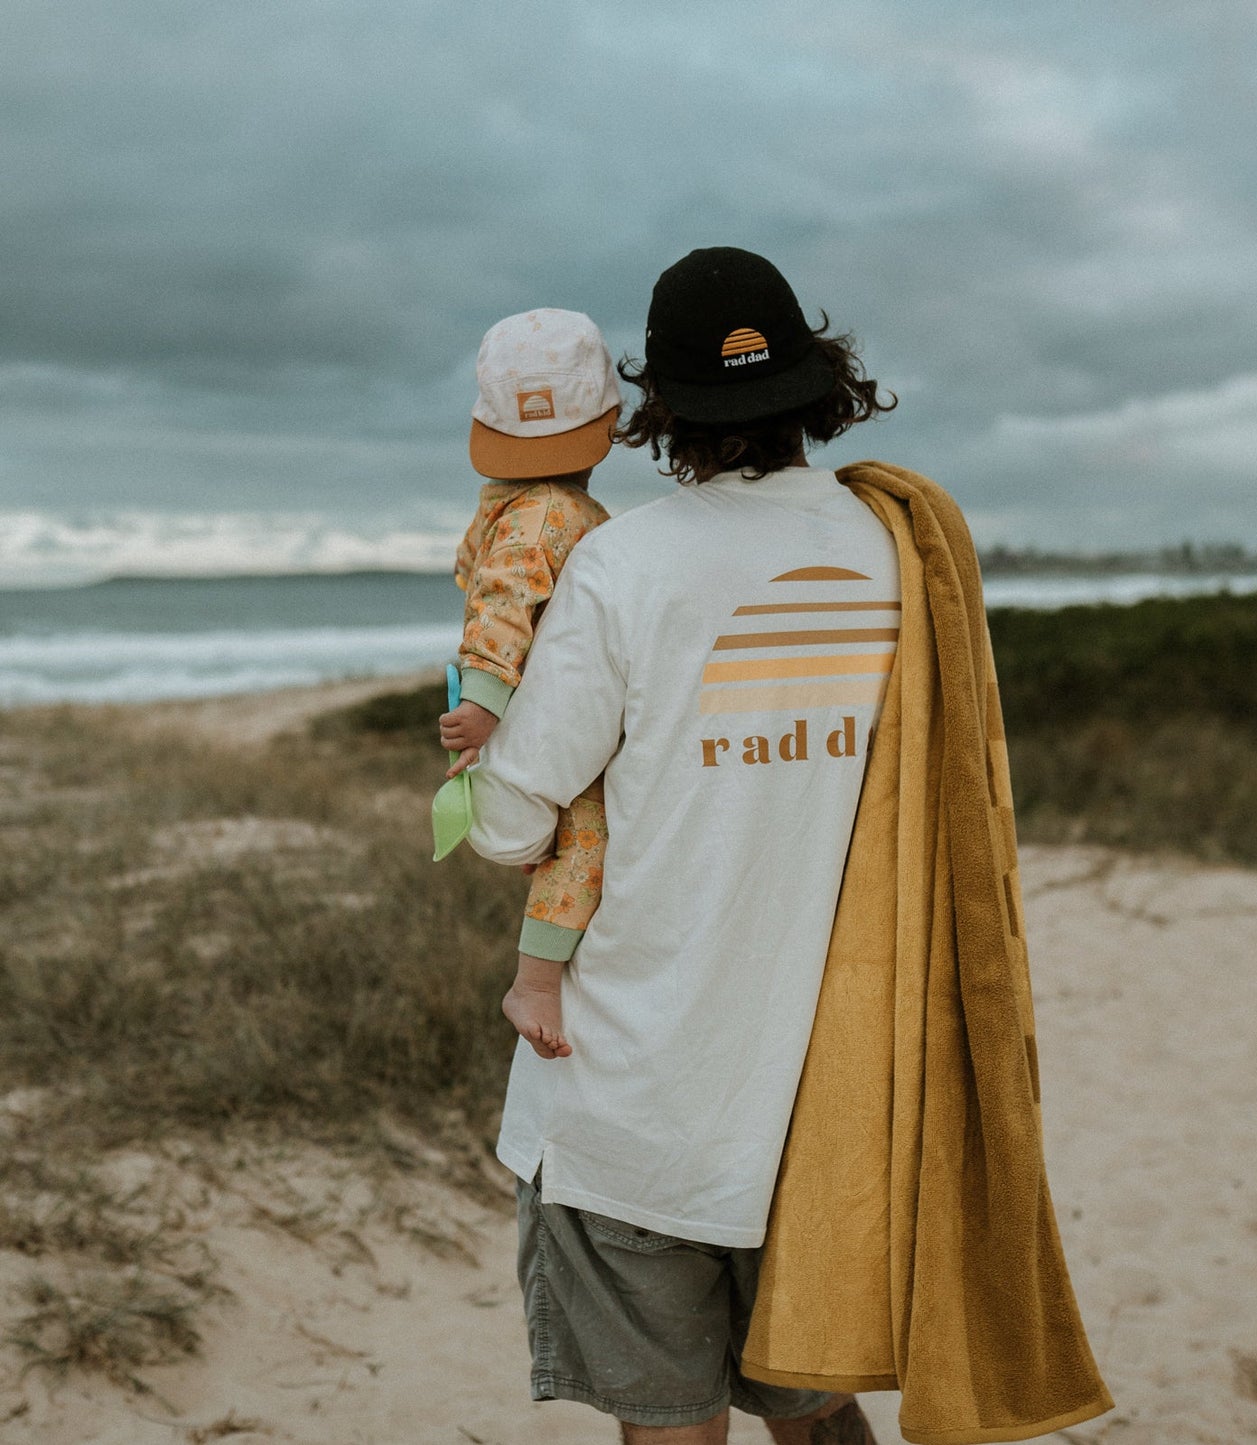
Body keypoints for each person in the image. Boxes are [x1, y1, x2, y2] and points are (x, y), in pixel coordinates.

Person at [466, 247, 896, 1442]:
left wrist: (473, 736)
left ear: (656, 403)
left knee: (669, 1422)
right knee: (817, 1403)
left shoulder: (622, 561)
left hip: (637, 1100)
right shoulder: (890, 554)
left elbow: (510, 824)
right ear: (817, 381)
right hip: (818, 1092)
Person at [440, 307, 618, 1060]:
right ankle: (535, 980)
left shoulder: (521, 504)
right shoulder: (551, 511)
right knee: (585, 843)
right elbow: (503, 602)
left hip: (514, 700)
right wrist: (483, 703)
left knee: (554, 843)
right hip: (524, 706)